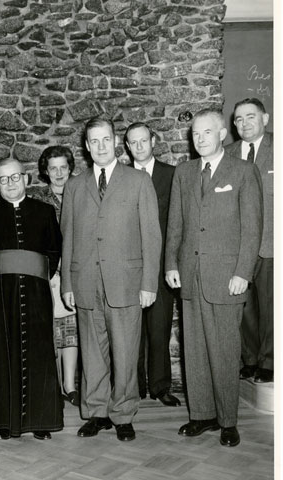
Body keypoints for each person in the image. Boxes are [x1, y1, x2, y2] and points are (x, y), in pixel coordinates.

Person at [165, 109, 262, 447]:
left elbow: (252, 229)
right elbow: (175, 224)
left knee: (224, 350)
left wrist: (242, 273)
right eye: (195, 134)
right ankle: (202, 415)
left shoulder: (244, 171)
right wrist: (170, 265)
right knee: (194, 350)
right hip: (190, 276)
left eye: (207, 133)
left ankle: (228, 421)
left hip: (226, 278)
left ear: (222, 134)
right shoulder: (184, 172)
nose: (200, 139)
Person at [60, 117, 161, 442]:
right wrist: (68, 284)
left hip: (126, 283)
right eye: (94, 141)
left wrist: (149, 283)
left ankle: (123, 413)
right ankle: (97, 412)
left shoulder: (137, 181)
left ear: (115, 142)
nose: (100, 146)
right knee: (92, 353)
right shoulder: (75, 186)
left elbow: (151, 236)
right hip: (87, 282)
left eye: (106, 140)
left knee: (126, 352)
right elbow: (68, 237)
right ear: (86, 146)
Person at [0, 158, 63, 440]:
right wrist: (3, 276)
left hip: (36, 295)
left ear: (26, 179)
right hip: (1, 295)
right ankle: (4, 422)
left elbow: (54, 250)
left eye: (14, 178)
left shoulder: (45, 212)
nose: (9, 184)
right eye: (2, 180)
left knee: (39, 353)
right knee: (1, 353)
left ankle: (41, 421)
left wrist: (34, 273)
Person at [124, 123, 180, 407]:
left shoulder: (172, 175)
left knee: (159, 330)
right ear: (127, 146)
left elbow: (177, 224)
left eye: (144, 141)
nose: (139, 147)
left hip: (160, 267)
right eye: (133, 143)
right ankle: (135, 386)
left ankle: (160, 386)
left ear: (153, 141)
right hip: (129, 268)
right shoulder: (121, 177)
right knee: (131, 332)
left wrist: (172, 263)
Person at [225, 98, 273, 384]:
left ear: (265, 119)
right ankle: (251, 359)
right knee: (243, 308)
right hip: (236, 246)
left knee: (270, 306)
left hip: (270, 244)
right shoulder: (227, 154)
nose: (244, 123)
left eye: (250, 117)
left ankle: (269, 361)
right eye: (239, 119)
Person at [28, 145, 79, 407]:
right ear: (45, 172)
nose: (58, 173)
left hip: (77, 274)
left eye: (63, 167)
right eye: (53, 168)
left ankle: (70, 386)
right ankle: (54, 386)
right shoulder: (37, 201)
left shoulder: (81, 194)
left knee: (72, 332)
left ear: (70, 168)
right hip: (49, 275)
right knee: (52, 331)